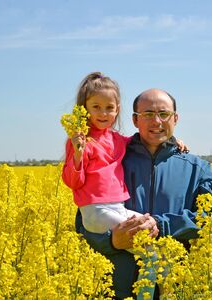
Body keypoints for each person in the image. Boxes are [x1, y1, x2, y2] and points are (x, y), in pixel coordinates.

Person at [75, 88, 212, 299]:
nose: (156, 121)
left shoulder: (197, 169)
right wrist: (111, 242)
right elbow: (85, 220)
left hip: (176, 290)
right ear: (135, 120)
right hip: (117, 292)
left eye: (163, 114)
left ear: (175, 118)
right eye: (147, 114)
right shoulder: (112, 159)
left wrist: (162, 225)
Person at [62, 72, 168, 299]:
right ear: (84, 109)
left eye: (109, 107)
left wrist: (172, 141)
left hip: (117, 207)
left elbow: (142, 140)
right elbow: (73, 182)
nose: (103, 113)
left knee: (152, 234)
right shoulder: (81, 140)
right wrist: (78, 153)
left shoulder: (117, 139)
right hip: (95, 210)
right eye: (96, 107)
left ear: (117, 109)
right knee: (151, 255)